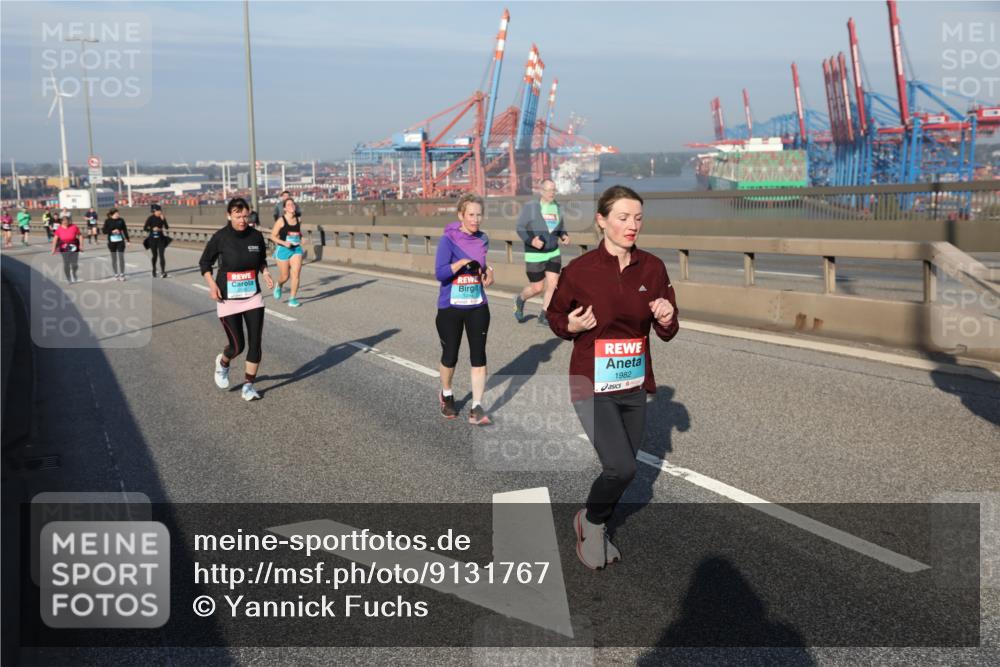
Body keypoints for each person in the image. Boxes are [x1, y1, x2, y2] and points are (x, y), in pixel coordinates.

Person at [546, 185, 679, 570]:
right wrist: (568, 323)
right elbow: (555, 315)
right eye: (623, 217)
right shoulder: (580, 271)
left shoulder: (652, 268)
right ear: (602, 221)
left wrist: (667, 318)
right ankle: (591, 523)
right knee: (622, 467)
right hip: (590, 381)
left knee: (625, 469)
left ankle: (596, 522)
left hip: (632, 383)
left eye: (638, 218)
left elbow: (668, 327)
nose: (632, 225)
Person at [199, 197, 274, 402]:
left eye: (245, 216)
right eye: (237, 215)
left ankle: (248, 386)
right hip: (228, 298)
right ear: (229, 215)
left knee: (255, 342)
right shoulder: (220, 238)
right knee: (237, 347)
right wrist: (212, 285)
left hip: (252, 297)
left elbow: (261, 260)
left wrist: (265, 272)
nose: (242, 220)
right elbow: (205, 263)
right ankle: (223, 363)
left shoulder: (256, 236)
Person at [434, 193, 494, 425]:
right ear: (461, 215)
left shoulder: (483, 239)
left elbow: (483, 265)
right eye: (471, 214)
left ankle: (477, 407)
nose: (476, 219)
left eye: (479, 215)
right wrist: (459, 264)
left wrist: (489, 272)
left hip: (477, 305)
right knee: (450, 356)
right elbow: (440, 273)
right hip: (450, 306)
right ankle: (447, 394)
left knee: (479, 357)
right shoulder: (448, 239)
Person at [514, 179, 569, 327]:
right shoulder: (531, 207)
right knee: (537, 288)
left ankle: (544, 314)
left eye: (554, 190)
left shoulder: (557, 207)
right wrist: (531, 241)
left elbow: (560, 227)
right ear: (541, 191)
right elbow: (520, 228)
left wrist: (564, 235)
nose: (552, 193)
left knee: (553, 284)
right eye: (549, 190)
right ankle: (520, 299)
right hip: (535, 254)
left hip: (553, 252)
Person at [270, 198, 304, 307]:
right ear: (284, 208)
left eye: (293, 204)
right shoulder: (281, 221)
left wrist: (302, 238)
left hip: (296, 249)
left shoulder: (299, 219)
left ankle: (292, 299)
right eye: (289, 205)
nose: (292, 206)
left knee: (296, 274)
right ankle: (279, 285)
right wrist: (284, 243)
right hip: (283, 250)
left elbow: (298, 233)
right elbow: (272, 236)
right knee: (285, 276)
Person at [50, 209, 83, 283]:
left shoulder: (74, 227)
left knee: (74, 264)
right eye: (64, 221)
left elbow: (80, 236)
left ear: (69, 221)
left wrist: (81, 245)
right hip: (64, 245)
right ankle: (69, 278)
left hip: (74, 244)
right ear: (61, 221)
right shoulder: (59, 229)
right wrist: (53, 249)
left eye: (67, 220)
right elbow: (55, 239)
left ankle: (74, 273)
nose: (65, 222)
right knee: (66, 262)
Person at [143, 204, 170, 277]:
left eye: (160, 210)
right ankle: (154, 269)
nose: (160, 212)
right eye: (158, 211)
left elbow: (167, 227)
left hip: (161, 239)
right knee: (155, 255)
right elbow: (145, 228)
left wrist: (163, 220)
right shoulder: (150, 218)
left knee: (162, 255)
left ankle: (163, 272)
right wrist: (152, 229)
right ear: (154, 211)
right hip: (152, 239)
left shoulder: (162, 217)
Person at [102, 208, 130, 281]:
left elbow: (125, 230)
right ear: (112, 214)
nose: (118, 214)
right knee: (114, 258)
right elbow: (104, 231)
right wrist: (112, 231)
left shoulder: (121, 220)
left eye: (118, 213)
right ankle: (116, 274)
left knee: (121, 257)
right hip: (112, 242)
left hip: (120, 241)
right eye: (116, 213)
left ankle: (122, 274)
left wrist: (128, 240)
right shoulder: (108, 221)